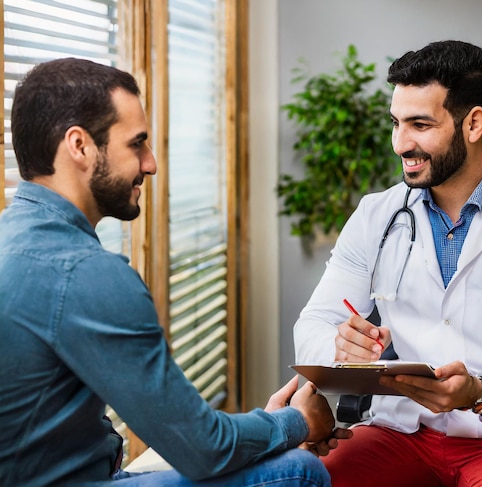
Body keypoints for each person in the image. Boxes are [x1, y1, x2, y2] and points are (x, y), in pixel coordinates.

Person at [0, 57, 351, 486]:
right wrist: (297, 422)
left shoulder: (12, 239)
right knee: (299, 471)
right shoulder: (85, 273)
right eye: (136, 144)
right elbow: (205, 449)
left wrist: (268, 428)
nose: (150, 164)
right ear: (80, 147)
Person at [293, 40, 482, 487]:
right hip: (401, 430)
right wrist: (339, 352)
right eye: (396, 123)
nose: (401, 143)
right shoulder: (376, 217)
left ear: (473, 123)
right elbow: (314, 324)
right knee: (311, 479)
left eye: (420, 124)